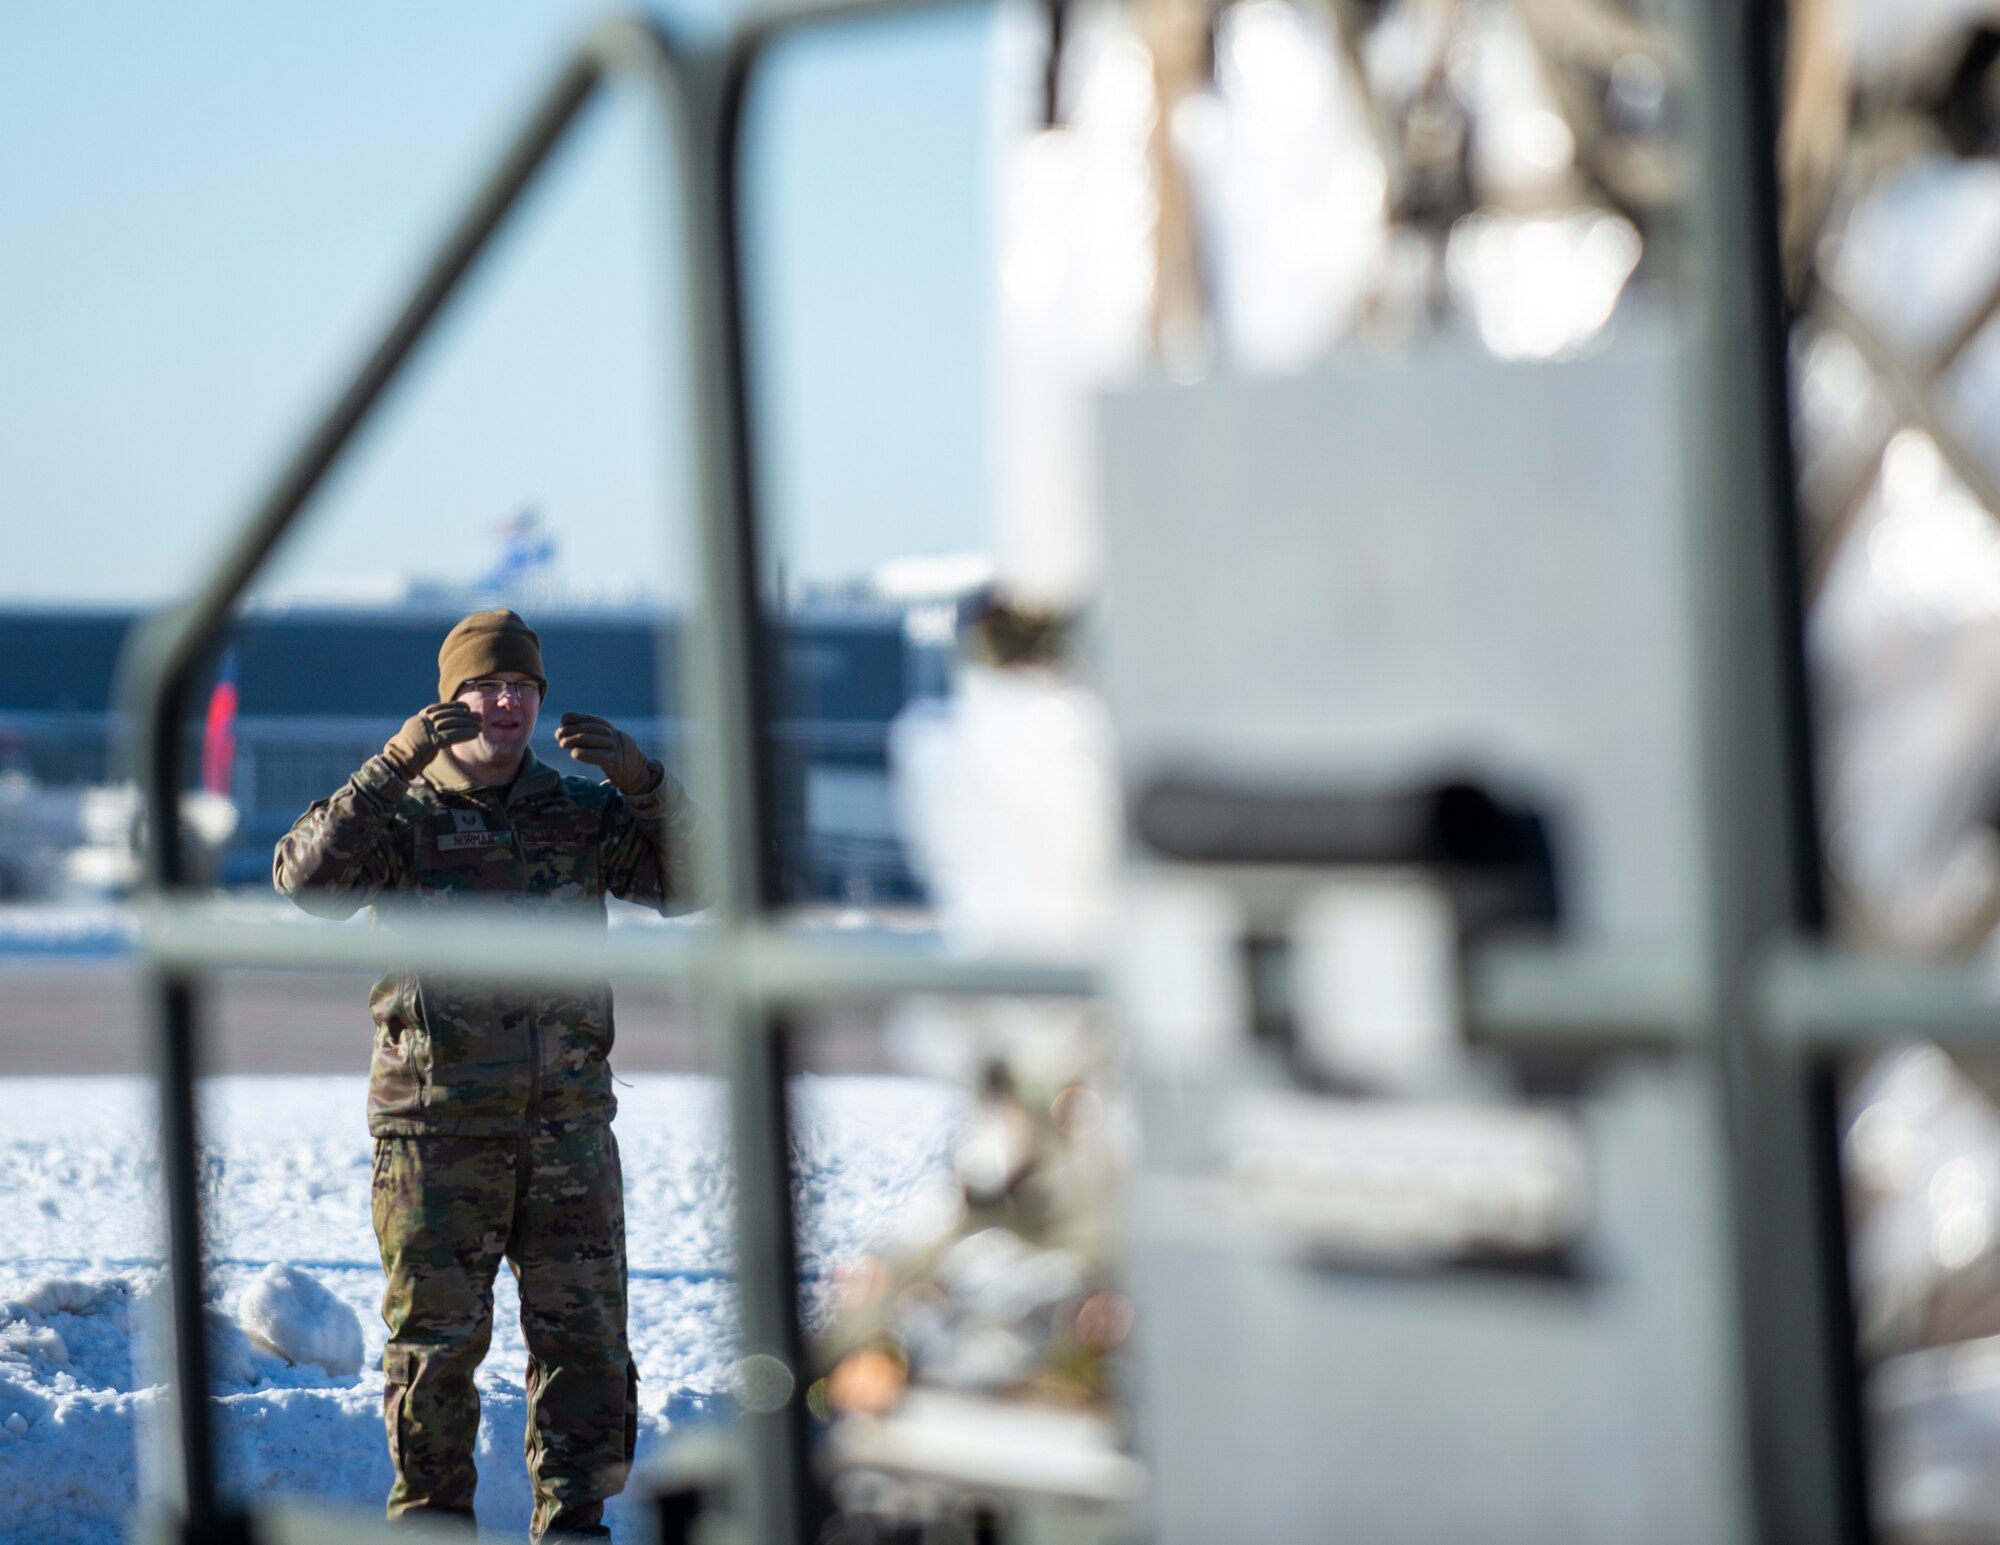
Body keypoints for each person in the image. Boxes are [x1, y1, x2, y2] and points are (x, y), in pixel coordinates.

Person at [273, 608, 694, 1538]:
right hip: (435, 1136)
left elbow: (698, 881)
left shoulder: (579, 813)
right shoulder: (403, 815)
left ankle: (576, 1524)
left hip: (567, 1136)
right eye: (485, 687)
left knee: (585, 1351)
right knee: (434, 1354)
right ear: (449, 702)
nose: (506, 703)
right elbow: (305, 883)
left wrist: (645, 780)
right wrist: (391, 764)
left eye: (522, 688)